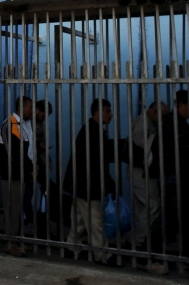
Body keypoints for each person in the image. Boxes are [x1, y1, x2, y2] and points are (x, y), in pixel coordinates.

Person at [158, 90, 189, 274]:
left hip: (179, 175)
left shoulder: (175, 123)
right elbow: (185, 151)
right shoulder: (173, 124)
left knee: (183, 218)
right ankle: (155, 255)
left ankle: (185, 258)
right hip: (175, 176)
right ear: (181, 105)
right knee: (171, 218)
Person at [63, 99, 116, 263]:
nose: (111, 114)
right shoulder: (94, 132)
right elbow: (96, 163)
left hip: (81, 184)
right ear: (98, 112)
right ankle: (102, 255)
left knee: (79, 219)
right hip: (89, 185)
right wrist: (107, 183)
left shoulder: (90, 130)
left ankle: (71, 247)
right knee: (96, 221)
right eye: (108, 111)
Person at [130, 100, 169, 264]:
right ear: (154, 112)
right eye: (163, 116)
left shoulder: (146, 122)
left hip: (141, 170)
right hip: (141, 171)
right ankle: (139, 241)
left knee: (143, 207)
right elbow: (138, 142)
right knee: (152, 205)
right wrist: (155, 140)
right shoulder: (143, 122)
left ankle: (136, 240)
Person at [0, 96, 35, 256]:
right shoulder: (10, 123)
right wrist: (30, 167)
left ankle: (18, 241)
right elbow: (14, 151)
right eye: (30, 108)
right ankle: (11, 243)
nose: (32, 111)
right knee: (12, 210)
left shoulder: (24, 124)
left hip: (23, 174)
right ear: (22, 107)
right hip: (12, 174)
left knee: (19, 209)